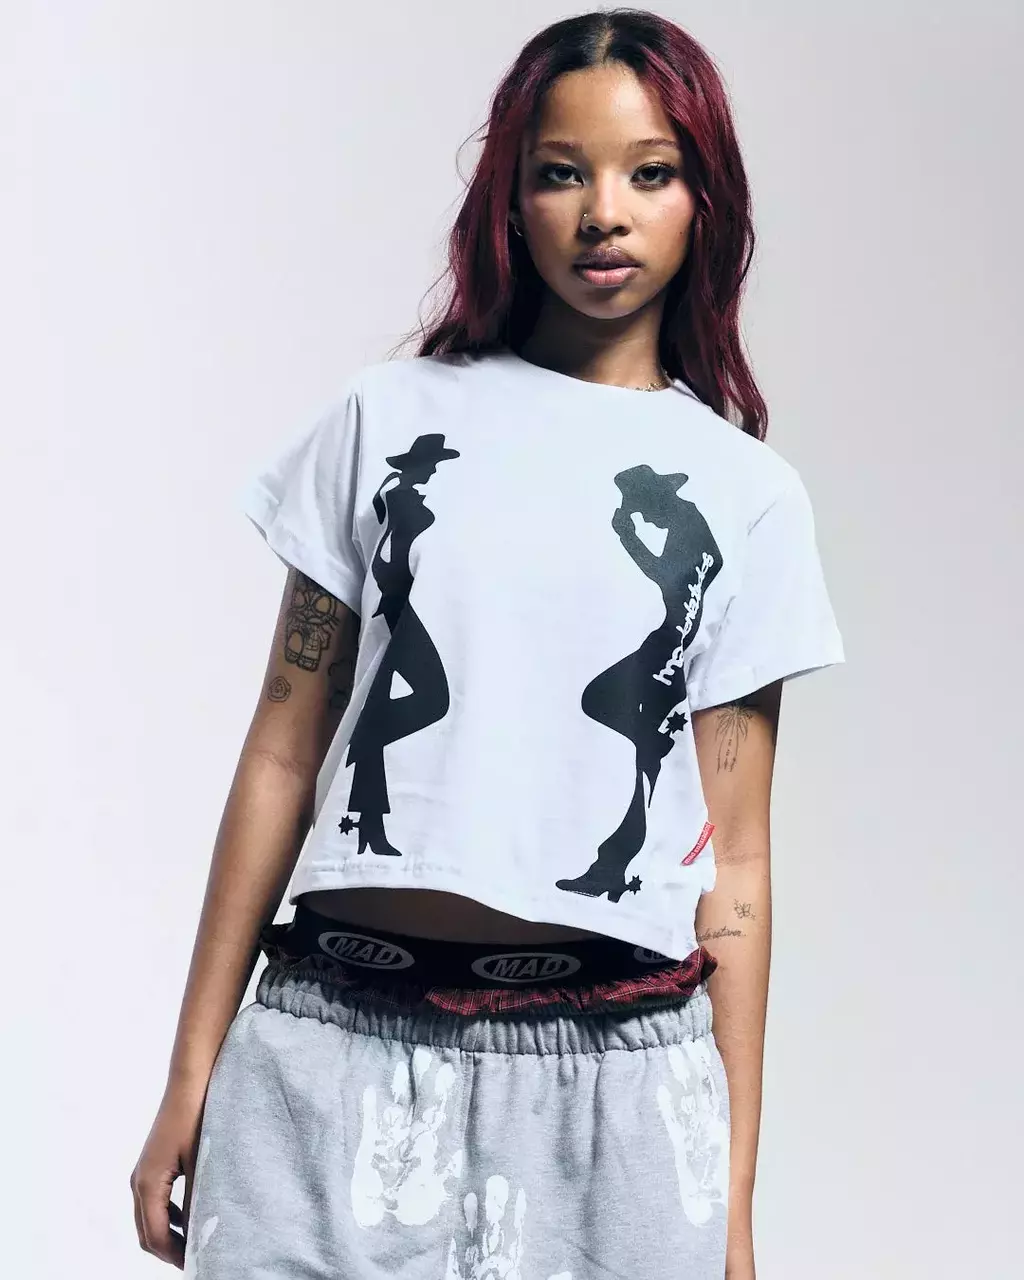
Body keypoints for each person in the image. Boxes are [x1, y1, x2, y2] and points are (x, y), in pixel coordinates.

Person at [130, 9, 845, 1279]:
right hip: (326, 1054)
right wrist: (189, 1076)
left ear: (705, 201)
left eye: (650, 173)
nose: (604, 214)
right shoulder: (386, 419)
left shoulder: (746, 495)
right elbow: (282, 754)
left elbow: (735, 857)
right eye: (562, 172)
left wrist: (731, 1199)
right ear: (509, 199)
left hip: (616, 1092)